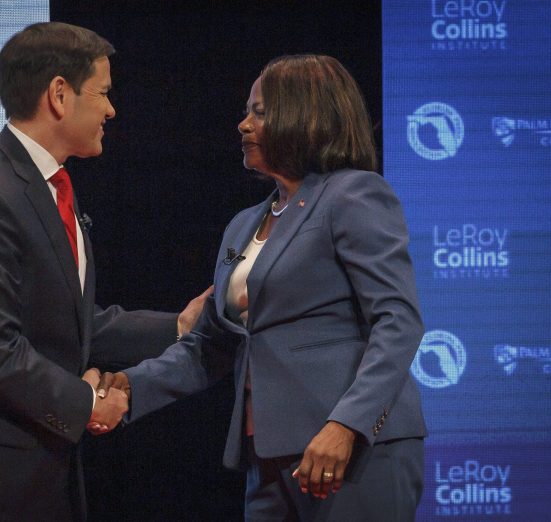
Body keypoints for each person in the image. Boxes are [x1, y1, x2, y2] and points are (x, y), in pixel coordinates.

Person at [0, 22, 208, 521]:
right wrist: (87, 404)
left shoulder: (45, 186)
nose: (111, 109)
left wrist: (178, 326)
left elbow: (71, 324)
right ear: (59, 94)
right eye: (102, 93)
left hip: (21, 477)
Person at [96, 55, 427, 521]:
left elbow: (398, 321)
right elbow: (210, 345)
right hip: (269, 458)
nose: (243, 124)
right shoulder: (243, 226)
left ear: (307, 115)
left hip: (352, 454)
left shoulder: (353, 195)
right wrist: (129, 389)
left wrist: (347, 425)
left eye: (260, 112)